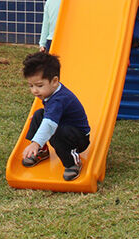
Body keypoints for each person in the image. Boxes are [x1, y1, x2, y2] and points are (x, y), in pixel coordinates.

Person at [20, 51, 91, 181]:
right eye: (31, 86)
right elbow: (50, 115)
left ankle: (72, 163)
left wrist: (35, 143)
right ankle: (42, 150)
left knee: (56, 131)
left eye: (39, 85)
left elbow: (50, 124)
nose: (35, 90)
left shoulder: (59, 99)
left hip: (78, 138)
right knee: (38, 115)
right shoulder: (51, 92)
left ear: (54, 81)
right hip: (63, 126)